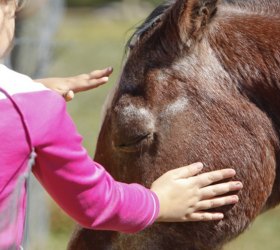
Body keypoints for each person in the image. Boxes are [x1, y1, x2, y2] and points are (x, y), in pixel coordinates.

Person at [0, 0, 243, 249]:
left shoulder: (24, 103)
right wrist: (158, 202)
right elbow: (92, 203)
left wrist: (28, 90)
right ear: (6, 7)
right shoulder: (32, 109)